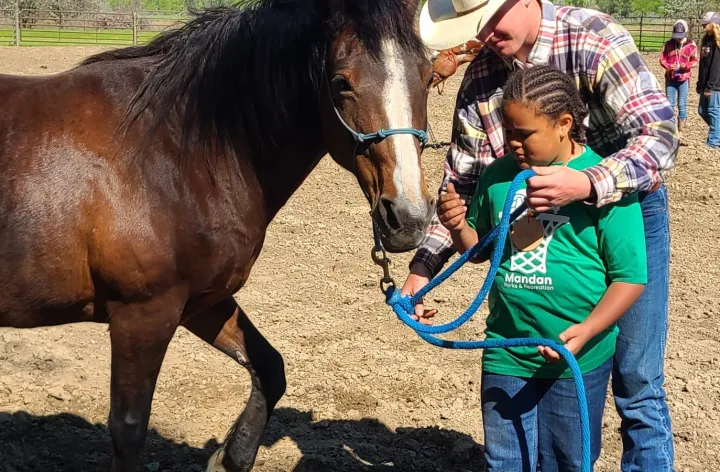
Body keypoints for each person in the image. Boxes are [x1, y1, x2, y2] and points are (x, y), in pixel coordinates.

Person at [410, 0, 678, 470]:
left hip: (622, 204)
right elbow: (465, 181)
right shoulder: (481, 80)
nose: (486, 33)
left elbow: (659, 134)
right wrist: (424, 267)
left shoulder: (593, 37)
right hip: (527, 212)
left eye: (492, 17)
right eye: (476, 25)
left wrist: (587, 183)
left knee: (637, 382)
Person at [438, 64, 646, 471]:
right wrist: (458, 224)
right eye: (508, 131)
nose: (513, 143)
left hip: (576, 359)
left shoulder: (604, 185)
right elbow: (481, 252)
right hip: (506, 350)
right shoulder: (499, 178)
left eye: (524, 133)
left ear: (564, 124)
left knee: (566, 461)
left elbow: (630, 278)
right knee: (504, 461)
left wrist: (586, 332)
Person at [660, 20, 697, 134]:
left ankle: (681, 124)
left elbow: (695, 61)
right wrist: (669, 66)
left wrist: (686, 65)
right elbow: (662, 59)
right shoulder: (668, 44)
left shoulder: (691, 45)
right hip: (670, 77)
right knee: (670, 103)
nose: (678, 38)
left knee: (682, 102)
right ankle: (671, 125)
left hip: (683, 77)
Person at [698, 11, 720, 149]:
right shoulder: (706, 40)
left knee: (713, 111)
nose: (703, 25)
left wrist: (709, 86)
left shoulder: (717, 43)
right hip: (705, 83)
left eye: (706, 23)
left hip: (715, 85)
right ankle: (717, 132)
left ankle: (714, 141)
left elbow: (716, 67)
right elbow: (703, 64)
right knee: (702, 111)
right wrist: (700, 82)